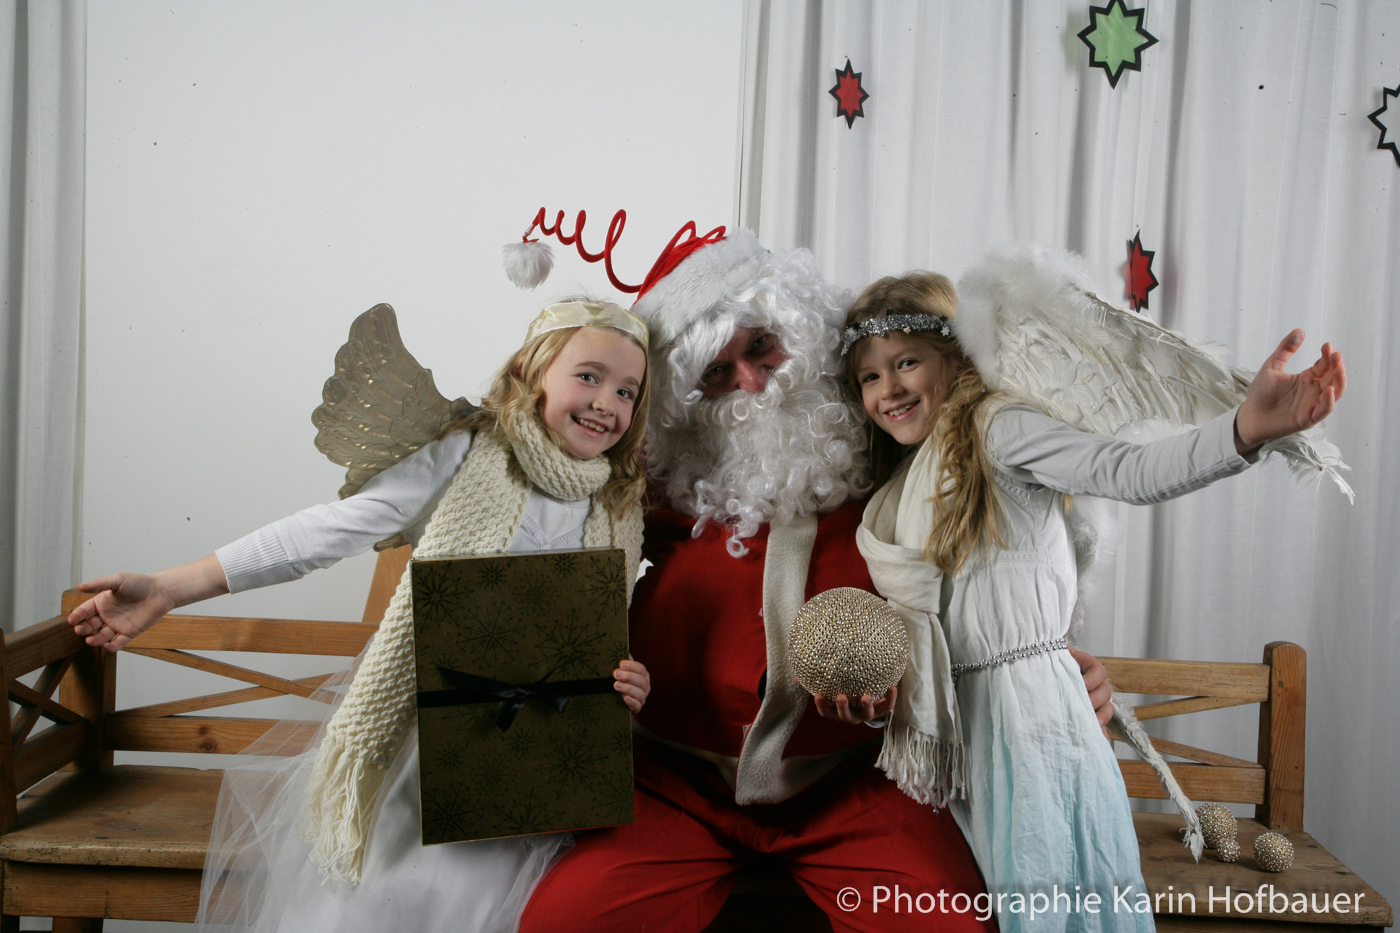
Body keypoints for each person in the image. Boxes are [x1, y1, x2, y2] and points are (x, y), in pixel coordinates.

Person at [517, 231, 1113, 933]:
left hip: (853, 785)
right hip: (671, 789)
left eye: (763, 347)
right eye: (716, 371)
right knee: (563, 923)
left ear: (802, 336)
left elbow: (995, 576)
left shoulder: (901, 459)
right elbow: (540, 574)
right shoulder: (643, 485)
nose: (751, 382)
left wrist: (1046, 666)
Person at [66, 300, 655, 933]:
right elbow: (326, 532)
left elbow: (591, 638)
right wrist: (168, 588)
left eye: (627, 391)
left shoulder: (619, 504)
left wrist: (627, 680)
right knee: (403, 902)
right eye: (588, 376)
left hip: (540, 773)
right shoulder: (469, 454)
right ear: (529, 370)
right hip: (429, 749)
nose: (606, 402)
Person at [842, 271, 1346, 933]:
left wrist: (1245, 428)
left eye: (907, 362)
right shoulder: (901, 485)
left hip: (1028, 719)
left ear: (957, 356)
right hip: (966, 731)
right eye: (869, 376)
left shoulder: (997, 427)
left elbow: (1125, 470)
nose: (889, 388)